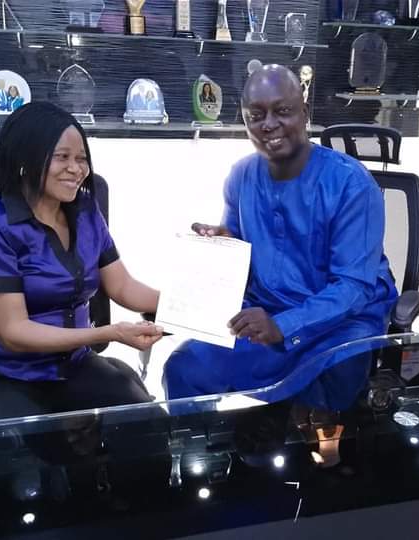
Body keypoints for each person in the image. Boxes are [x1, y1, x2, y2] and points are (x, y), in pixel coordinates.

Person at [163, 64, 398, 409]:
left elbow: (353, 287)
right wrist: (223, 245)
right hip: (264, 309)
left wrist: (283, 326)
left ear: (305, 113)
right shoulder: (241, 175)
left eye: (282, 111)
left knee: (331, 392)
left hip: (339, 322)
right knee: (185, 368)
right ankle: (203, 442)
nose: (269, 124)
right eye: (255, 116)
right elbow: (241, 256)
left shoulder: (352, 184)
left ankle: (302, 440)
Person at [0, 101, 163, 421]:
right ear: (25, 159)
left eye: (81, 159)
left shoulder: (85, 209)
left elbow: (123, 286)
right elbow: (14, 332)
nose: (76, 169)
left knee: (148, 424)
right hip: (6, 377)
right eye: (62, 157)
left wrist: (193, 311)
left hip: (73, 366)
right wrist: (108, 333)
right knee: (40, 451)